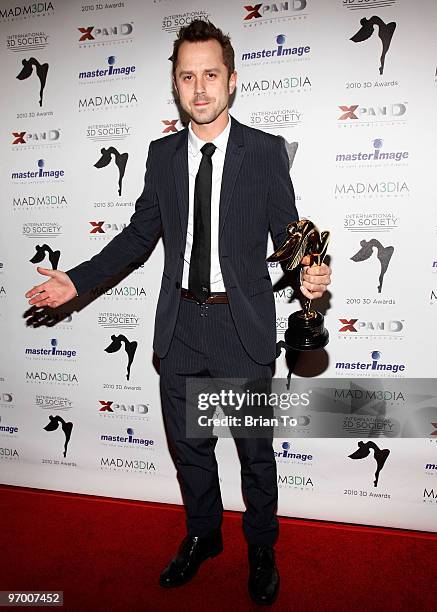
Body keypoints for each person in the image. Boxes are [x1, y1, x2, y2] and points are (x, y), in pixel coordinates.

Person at [25, 20, 331, 605]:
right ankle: (204, 535)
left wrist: (311, 276)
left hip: (242, 330)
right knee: (190, 449)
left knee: (254, 453)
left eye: (210, 75)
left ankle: (262, 546)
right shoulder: (162, 155)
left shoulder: (264, 152)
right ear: (175, 84)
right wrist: (78, 281)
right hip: (182, 326)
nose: (199, 88)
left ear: (232, 81)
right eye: (187, 76)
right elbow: (138, 236)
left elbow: (291, 237)